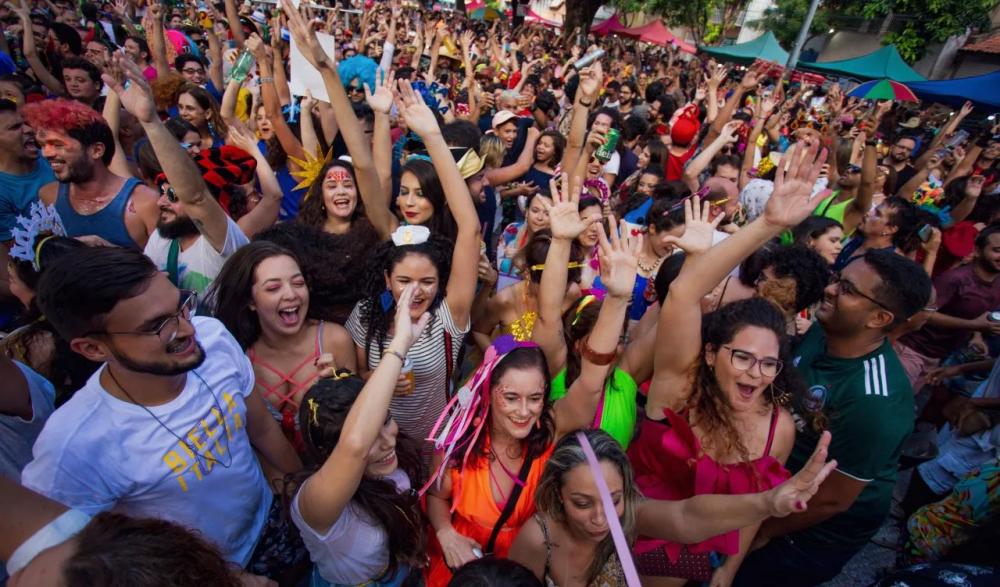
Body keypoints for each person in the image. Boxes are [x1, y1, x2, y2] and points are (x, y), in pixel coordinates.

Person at [21, 246, 305, 579]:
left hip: (272, 521)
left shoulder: (213, 339)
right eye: (157, 326)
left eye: (181, 306)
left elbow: (262, 429)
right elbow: (70, 561)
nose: (187, 330)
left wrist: (303, 495)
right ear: (93, 348)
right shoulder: (73, 446)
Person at [425, 202, 641, 586]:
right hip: (460, 573)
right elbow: (437, 496)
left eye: (536, 398)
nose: (525, 412)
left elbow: (591, 380)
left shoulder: (548, 438)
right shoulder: (460, 441)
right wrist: (445, 533)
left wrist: (619, 299)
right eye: (511, 398)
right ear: (487, 394)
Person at [735, 250, 933, 586]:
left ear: (879, 319)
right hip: (772, 491)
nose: (830, 290)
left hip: (805, 535)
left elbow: (832, 498)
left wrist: (758, 531)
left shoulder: (876, 403)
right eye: (838, 279)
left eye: (848, 290)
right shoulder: (823, 333)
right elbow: (791, 395)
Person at [509, 428, 839, 586]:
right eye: (582, 504)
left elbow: (685, 517)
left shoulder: (626, 518)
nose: (601, 519)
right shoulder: (537, 541)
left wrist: (768, 502)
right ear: (558, 494)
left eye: (614, 500)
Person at [289, 283, 428, 587]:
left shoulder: (391, 463)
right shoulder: (315, 506)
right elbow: (355, 445)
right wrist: (400, 343)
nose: (387, 441)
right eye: (369, 435)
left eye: (386, 421)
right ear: (329, 451)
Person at [104, 54, 251, 294]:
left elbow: (196, 197)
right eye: (162, 193)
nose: (161, 201)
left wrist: (150, 122)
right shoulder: (162, 240)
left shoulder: (223, 241)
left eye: (172, 195)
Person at [210, 241, 357, 453]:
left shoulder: (335, 340)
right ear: (250, 301)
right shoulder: (237, 354)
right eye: (273, 287)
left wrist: (336, 389)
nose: (291, 294)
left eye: (298, 283)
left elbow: (356, 424)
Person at [27, 98, 159, 249]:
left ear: (96, 150)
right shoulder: (49, 196)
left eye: (58, 145)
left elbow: (165, 268)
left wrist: (108, 251)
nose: (46, 153)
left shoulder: (145, 203)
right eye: (43, 145)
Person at [893, 223, 1000, 392]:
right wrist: (975, 326)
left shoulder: (997, 284)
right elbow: (924, 313)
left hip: (936, 358)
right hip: (910, 350)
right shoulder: (955, 279)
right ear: (978, 251)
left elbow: (980, 314)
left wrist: (976, 336)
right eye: (997, 250)